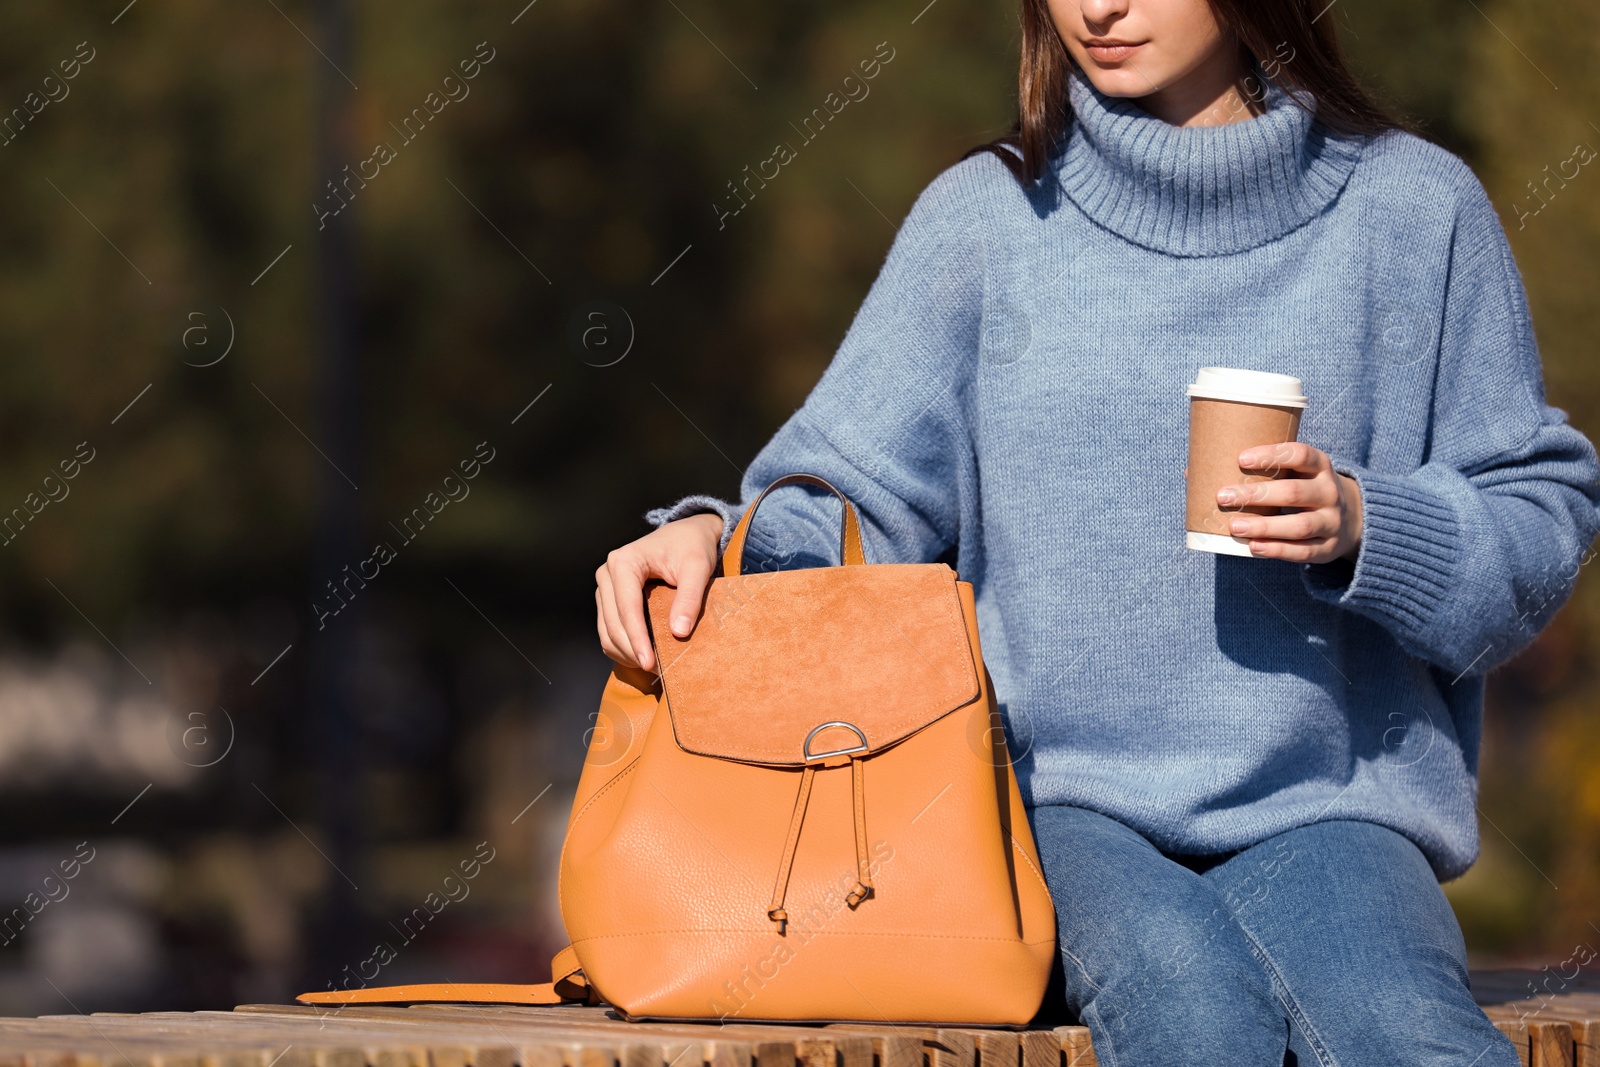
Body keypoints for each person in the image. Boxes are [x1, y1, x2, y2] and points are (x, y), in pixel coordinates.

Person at [593, 0, 1600, 1062]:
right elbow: (853, 500)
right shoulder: (985, 219)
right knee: (1192, 1013)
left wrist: (1365, 523)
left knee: (1407, 1032)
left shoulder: (1414, 210)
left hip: (1334, 809)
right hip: (1043, 799)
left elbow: (1537, 520)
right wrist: (723, 536)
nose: (1096, 7)